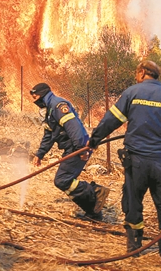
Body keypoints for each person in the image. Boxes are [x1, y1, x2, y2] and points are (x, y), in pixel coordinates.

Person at [88, 60, 161, 267]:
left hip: (136, 161)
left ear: (142, 72)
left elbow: (111, 120)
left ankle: (134, 247)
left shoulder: (132, 93)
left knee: (133, 201)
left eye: (137, 73)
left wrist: (95, 139)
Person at [30, 83, 110, 220]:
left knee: (62, 180)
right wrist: (40, 154)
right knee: (65, 181)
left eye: (35, 96)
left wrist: (81, 150)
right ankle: (93, 213)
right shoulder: (49, 110)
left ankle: (96, 192)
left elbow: (74, 128)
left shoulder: (58, 106)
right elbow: (48, 136)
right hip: (72, 147)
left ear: (42, 94)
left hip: (78, 147)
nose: (34, 100)